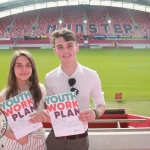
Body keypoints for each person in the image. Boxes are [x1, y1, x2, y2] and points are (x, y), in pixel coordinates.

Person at [30, 28, 105, 150]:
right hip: (55, 138)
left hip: (80, 140)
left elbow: (101, 105)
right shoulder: (50, 78)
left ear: (77, 47)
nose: (65, 51)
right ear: (55, 51)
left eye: (69, 45)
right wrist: (46, 113)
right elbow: (49, 108)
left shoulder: (92, 75)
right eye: (60, 47)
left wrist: (95, 113)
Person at [0, 50, 47, 150]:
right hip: (14, 144)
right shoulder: (4, 95)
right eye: (19, 65)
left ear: (32, 68)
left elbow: (48, 113)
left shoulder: (41, 89)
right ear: (13, 68)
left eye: (28, 65)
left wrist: (43, 115)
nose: (24, 69)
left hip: (39, 143)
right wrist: (15, 137)